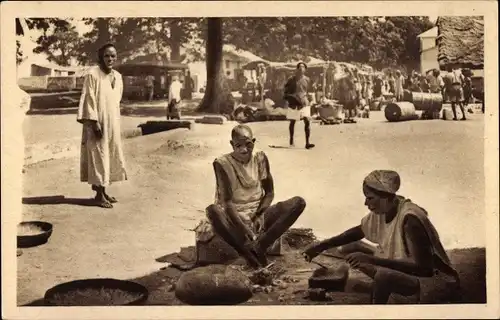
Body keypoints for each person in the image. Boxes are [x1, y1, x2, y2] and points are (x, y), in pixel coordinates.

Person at [303, 170, 460, 304]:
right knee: (351, 247)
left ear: (385, 197)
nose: (365, 203)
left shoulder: (410, 220)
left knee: (384, 276)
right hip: (407, 271)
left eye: (370, 198)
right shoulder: (383, 210)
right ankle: (382, 286)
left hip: (433, 283)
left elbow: (424, 269)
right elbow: (355, 233)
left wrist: (371, 260)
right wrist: (319, 247)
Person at [198, 125, 307, 269]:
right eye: (238, 145)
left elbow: (269, 193)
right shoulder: (222, 164)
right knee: (212, 211)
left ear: (254, 141)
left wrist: (259, 215)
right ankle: (247, 254)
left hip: (256, 214)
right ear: (232, 144)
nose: (244, 149)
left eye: (248, 144)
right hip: (234, 217)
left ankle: (260, 246)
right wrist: (245, 229)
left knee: (298, 203)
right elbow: (227, 203)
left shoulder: (260, 158)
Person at [77, 43, 127, 209]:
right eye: (106, 56)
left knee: (109, 155)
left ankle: (103, 191)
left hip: (112, 121)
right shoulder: (93, 74)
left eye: (113, 56)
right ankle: (98, 195)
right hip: (97, 122)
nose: (110, 59)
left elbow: (115, 100)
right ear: (101, 57)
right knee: (98, 155)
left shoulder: (117, 76)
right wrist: (94, 121)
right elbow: (89, 98)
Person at [284, 62, 315, 149]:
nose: (301, 69)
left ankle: (307, 143)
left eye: (303, 67)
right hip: (294, 102)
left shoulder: (307, 80)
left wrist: (311, 100)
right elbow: (285, 90)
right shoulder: (291, 79)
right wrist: (290, 97)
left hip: (304, 102)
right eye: (300, 67)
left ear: (305, 70)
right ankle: (291, 140)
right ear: (297, 69)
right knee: (293, 122)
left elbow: (310, 91)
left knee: (307, 121)